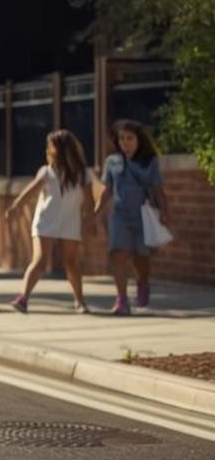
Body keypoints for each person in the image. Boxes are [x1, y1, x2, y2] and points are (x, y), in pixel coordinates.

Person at [5, 129, 94, 313]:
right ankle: (23, 298)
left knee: (70, 262)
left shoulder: (82, 174)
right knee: (39, 260)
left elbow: (89, 200)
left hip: (70, 221)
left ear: (59, 150)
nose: (47, 150)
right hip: (45, 220)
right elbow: (31, 190)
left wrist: (90, 221)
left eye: (50, 147)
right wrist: (16, 207)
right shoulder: (47, 172)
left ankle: (79, 301)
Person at [99, 119, 170, 316]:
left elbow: (158, 189)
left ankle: (143, 282)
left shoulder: (149, 161)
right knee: (118, 255)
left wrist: (164, 211)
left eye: (130, 138)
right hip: (119, 216)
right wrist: (96, 211)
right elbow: (106, 190)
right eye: (122, 139)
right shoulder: (112, 161)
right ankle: (122, 300)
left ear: (139, 140)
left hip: (143, 216)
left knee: (141, 259)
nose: (125, 143)